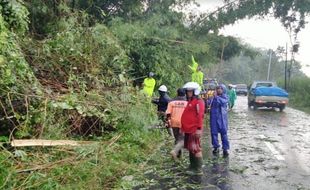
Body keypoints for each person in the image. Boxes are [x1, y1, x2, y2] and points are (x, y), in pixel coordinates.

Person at [181, 82, 205, 173]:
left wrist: (199, 129)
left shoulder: (199, 102)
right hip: (188, 129)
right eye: (187, 91)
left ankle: (198, 169)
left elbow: (200, 116)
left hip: (194, 129)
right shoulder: (191, 101)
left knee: (196, 149)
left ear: (195, 91)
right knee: (191, 148)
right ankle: (192, 166)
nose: (188, 93)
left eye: (190, 91)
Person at [166, 88, 188, 159]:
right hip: (183, 123)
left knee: (177, 138)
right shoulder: (187, 102)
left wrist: (168, 121)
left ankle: (178, 155)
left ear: (177, 93)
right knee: (182, 139)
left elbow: (168, 113)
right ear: (184, 94)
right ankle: (175, 152)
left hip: (174, 122)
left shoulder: (171, 102)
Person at [209, 84, 230, 157]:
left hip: (222, 118)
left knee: (224, 133)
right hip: (214, 117)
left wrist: (216, 97)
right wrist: (207, 99)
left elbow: (223, 102)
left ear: (223, 89)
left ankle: (225, 149)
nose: (219, 90)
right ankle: (216, 147)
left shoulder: (225, 97)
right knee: (214, 133)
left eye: (220, 88)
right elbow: (208, 104)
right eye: (217, 88)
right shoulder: (213, 97)